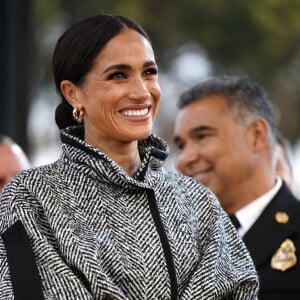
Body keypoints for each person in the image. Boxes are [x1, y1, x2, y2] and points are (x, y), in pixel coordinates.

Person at [0, 15, 258, 299]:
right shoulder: (30, 196)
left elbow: (241, 287)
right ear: (73, 93)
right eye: (118, 75)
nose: (141, 91)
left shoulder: (198, 201)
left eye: (149, 72)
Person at [173, 75, 300, 300]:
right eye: (181, 145)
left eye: (202, 136)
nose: (184, 159)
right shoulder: (176, 243)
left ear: (256, 135)